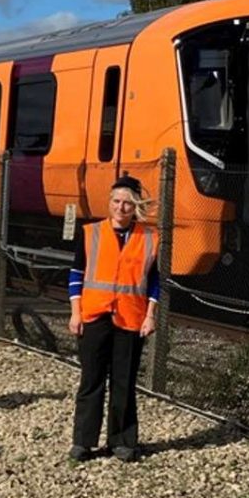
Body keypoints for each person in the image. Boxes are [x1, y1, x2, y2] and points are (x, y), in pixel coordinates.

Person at [68, 175, 159, 463]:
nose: (121, 208)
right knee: (91, 380)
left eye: (128, 203)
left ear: (136, 207)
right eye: (117, 201)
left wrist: (150, 316)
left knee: (124, 382)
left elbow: (155, 281)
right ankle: (83, 442)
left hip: (131, 319)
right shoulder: (90, 233)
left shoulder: (150, 238)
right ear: (109, 203)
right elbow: (76, 275)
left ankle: (122, 441)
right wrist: (75, 312)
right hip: (94, 315)